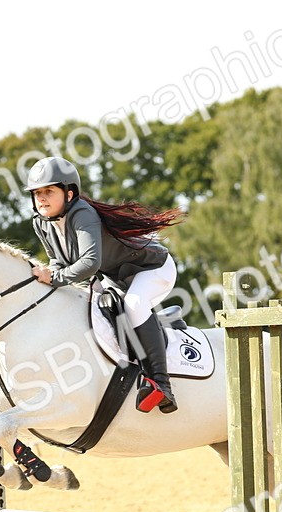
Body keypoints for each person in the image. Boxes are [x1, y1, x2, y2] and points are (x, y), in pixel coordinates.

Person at [25, 156, 184, 414]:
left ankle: (161, 384)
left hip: (151, 269)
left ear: (69, 193)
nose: (41, 198)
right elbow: (57, 260)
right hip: (115, 276)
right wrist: (49, 274)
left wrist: (54, 278)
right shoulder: (41, 222)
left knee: (134, 304)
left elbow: (89, 263)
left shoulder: (82, 214)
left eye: (49, 191)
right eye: (37, 193)